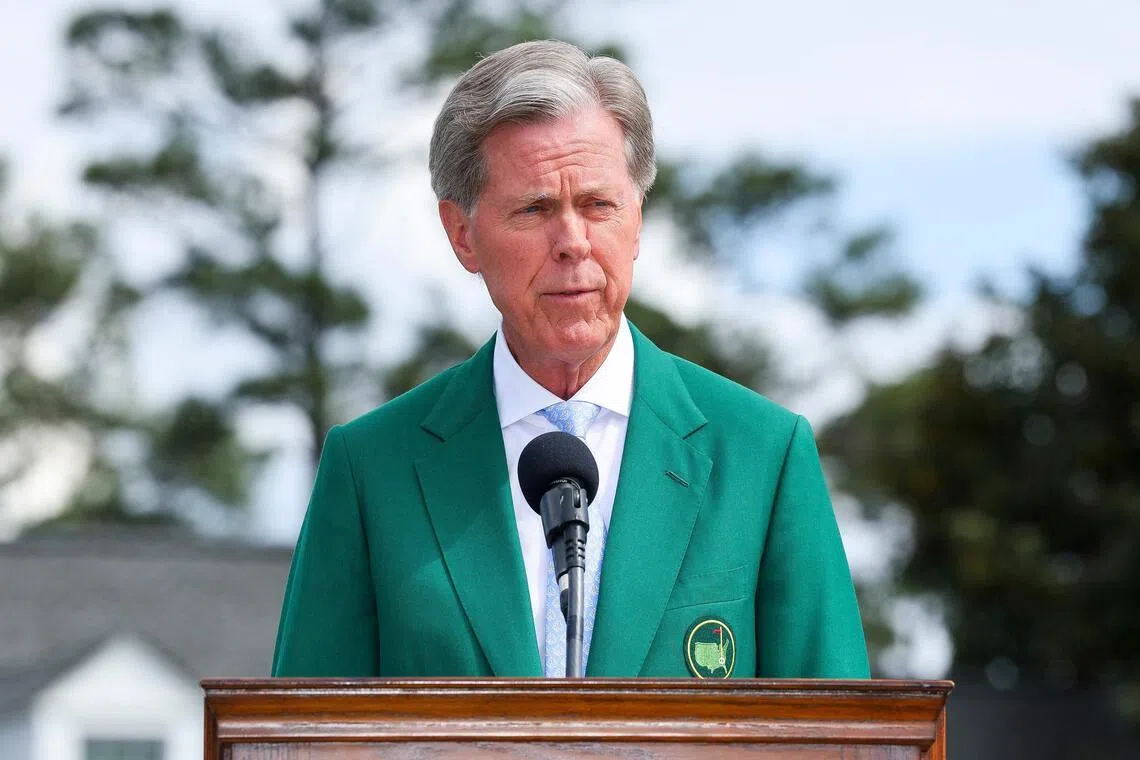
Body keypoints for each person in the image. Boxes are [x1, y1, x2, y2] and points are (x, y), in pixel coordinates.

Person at [272, 39, 869, 679]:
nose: (574, 242)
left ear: (637, 220)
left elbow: (840, 734)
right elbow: (299, 731)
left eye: (598, 205)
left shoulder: (763, 455)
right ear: (462, 234)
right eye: (535, 209)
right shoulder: (371, 470)